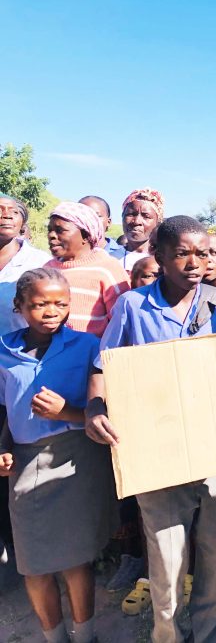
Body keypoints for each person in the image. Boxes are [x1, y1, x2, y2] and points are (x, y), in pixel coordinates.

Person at [84, 216, 216, 643]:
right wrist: (94, 408)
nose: (195, 262)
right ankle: (167, 633)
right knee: (167, 555)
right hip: (157, 449)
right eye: (183, 253)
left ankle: (206, 632)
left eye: (204, 253)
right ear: (160, 256)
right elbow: (104, 367)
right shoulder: (133, 306)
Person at [0, 268, 114, 643]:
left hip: (75, 461)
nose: (51, 311)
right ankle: (54, 638)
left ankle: (85, 636)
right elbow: (5, 409)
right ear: (19, 306)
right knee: (32, 565)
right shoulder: (4, 350)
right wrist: (3, 446)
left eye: (60, 304)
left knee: (74, 559)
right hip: (26, 461)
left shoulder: (86, 346)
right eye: (39, 304)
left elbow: (104, 414)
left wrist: (65, 411)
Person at [43, 201, 130, 337]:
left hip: (93, 354)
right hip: (52, 354)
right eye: (50, 230)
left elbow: (122, 320)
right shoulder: (47, 269)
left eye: (60, 230)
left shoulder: (108, 268)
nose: (51, 235)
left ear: (85, 236)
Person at [0, 194, 51, 336]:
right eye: (0, 210)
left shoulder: (40, 263)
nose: (7, 215)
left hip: (18, 355)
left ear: (22, 222)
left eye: (14, 211)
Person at [110, 188, 164, 271]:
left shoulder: (164, 262)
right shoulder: (109, 260)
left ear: (158, 222)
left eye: (146, 216)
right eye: (131, 214)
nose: (136, 221)